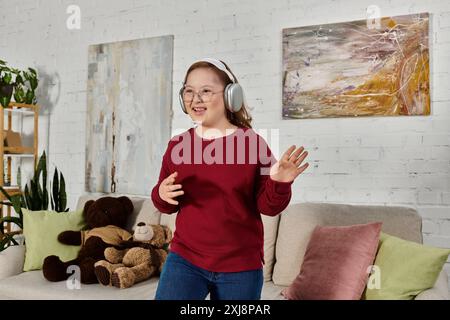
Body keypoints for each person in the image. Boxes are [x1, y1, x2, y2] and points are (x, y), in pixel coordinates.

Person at [151, 58, 309, 300]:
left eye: (205, 91)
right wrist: (161, 194)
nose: (195, 99)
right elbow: (166, 204)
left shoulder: (252, 143)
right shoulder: (178, 145)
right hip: (186, 260)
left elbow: (269, 207)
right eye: (189, 91)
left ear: (230, 97)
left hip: (241, 267)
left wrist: (280, 182)